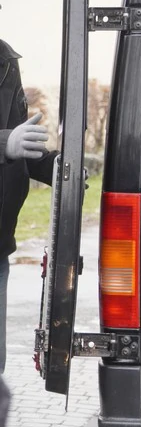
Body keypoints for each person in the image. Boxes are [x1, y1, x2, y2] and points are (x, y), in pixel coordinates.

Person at [0, 38, 56, 375]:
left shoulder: (5, 60)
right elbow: (9, 142)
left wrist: (60, 167)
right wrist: (4, 142)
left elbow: (20, 147)